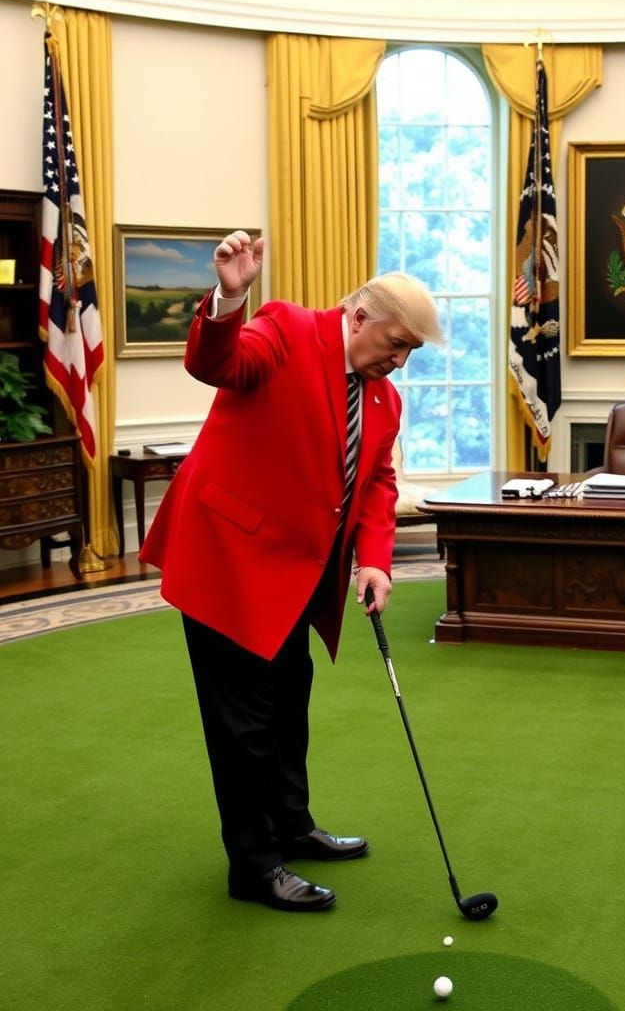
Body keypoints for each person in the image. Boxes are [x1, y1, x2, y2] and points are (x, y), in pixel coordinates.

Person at [140, 230, 443, 912]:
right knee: (242, 724)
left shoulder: (383, 401)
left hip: (298, 577)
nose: (399, 361)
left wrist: (375, 563)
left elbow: (377, 487)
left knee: (288, 704)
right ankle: (253, 866)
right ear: (359, 317)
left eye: (410, 352)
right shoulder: (283, 328)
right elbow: (217, 363)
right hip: (228, 559)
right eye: (396, 344)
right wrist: (230, 298)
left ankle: (291, 824)